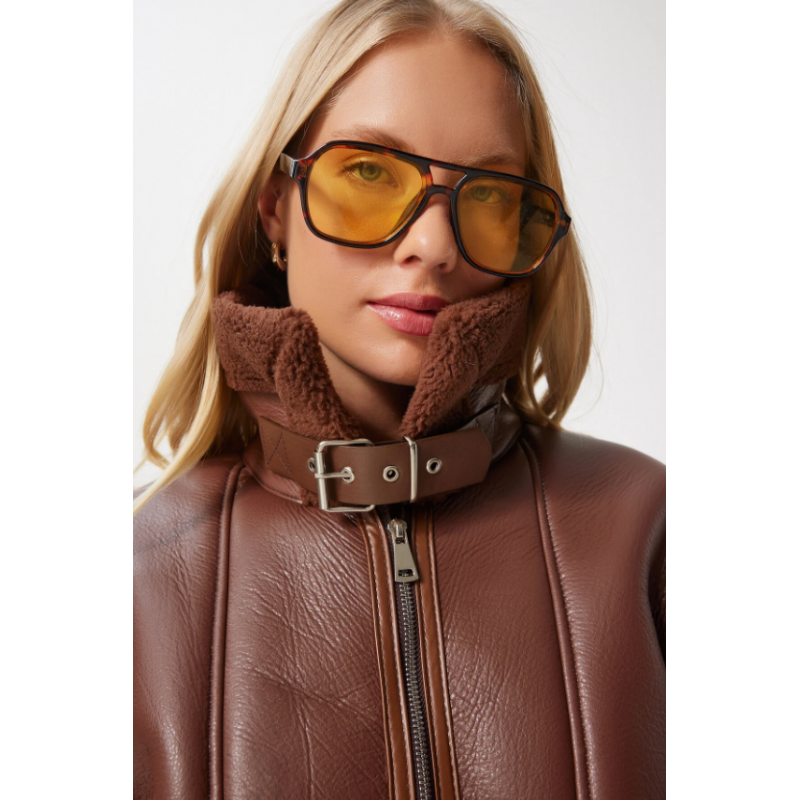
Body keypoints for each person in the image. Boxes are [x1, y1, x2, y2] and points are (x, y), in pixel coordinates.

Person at [134, 0, 665, 798]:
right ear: (275, 206)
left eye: (489, 196)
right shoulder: (134, 573)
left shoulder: (647, 527)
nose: (434, 245)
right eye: (370, 174)